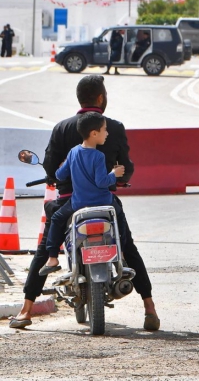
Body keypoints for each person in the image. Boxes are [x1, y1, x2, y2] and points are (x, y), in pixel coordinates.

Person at [8, 75, 159, 331]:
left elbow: (52, 169)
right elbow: (127, 168)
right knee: (127, 247)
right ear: (100, 98)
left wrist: (56, 178)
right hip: (105, 201)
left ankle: (25, 310)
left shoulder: (62, 128)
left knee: (46, 248)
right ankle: (149, 307)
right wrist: (119, 178)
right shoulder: (112, 127)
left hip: (71, 202)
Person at [39, 112, 125, 275]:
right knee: (119, 217)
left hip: (78, 203)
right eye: (104, 130)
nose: (107, 133)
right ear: (94, 133)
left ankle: (52, 258)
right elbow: (101, 182)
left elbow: (59, 175)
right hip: (103, 202)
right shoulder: (99, 156)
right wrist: (114, 174)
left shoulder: (73, 153)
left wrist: (64, 166)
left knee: (56, 219)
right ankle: (121, 254)